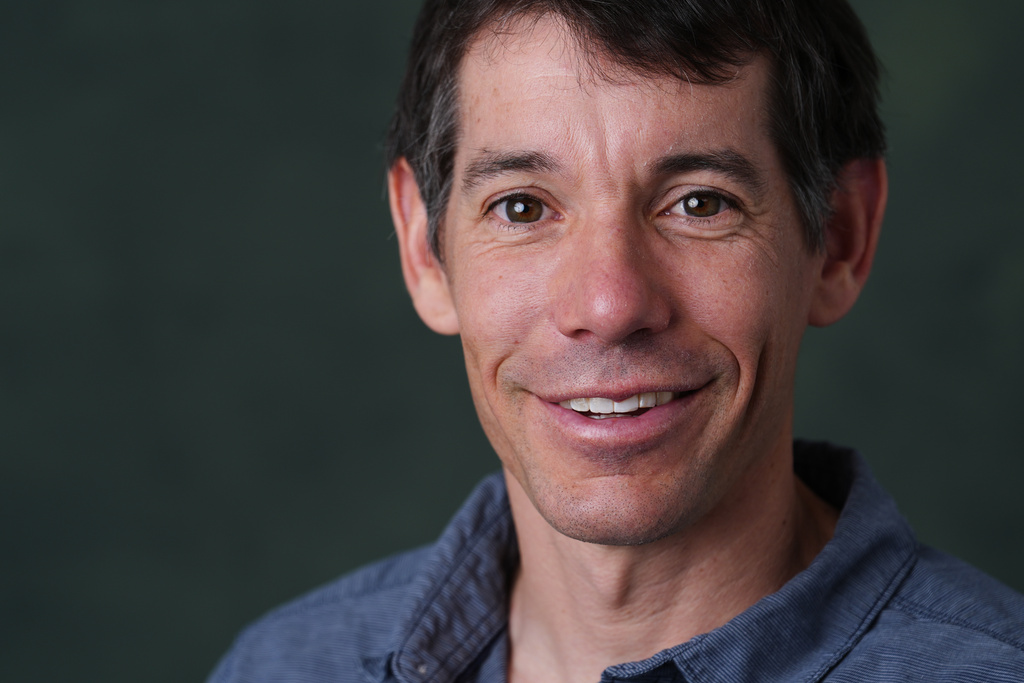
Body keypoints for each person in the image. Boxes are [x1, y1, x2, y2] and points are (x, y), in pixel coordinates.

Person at [207, 1, 1024, 681]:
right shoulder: (283, 666)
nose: (609, 302)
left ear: (839, 237)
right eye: (523, 207)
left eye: (700, 204)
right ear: (424, 248)